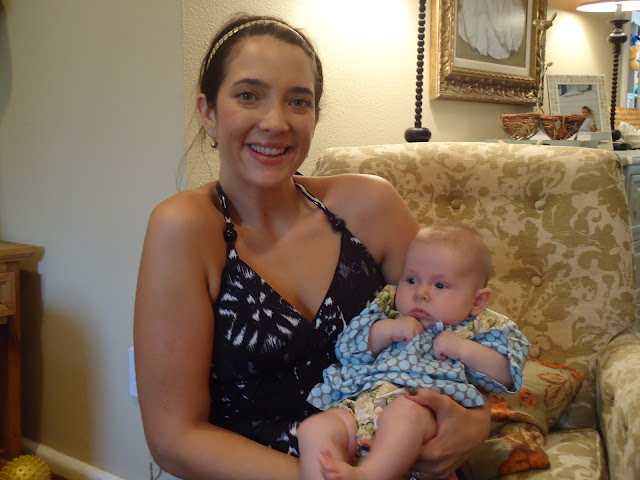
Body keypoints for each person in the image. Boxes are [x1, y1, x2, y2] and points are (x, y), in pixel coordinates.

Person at [133, 14, 491, 480]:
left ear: (315, 116)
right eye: (248, 95)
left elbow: (465, 323)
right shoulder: (183, 228)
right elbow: (174, 439)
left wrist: (476, 423)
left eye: (298, 101)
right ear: (208, 112)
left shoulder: (370, 205)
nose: (276, 122)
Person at [298, 224, 529, 480]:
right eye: (411, 280)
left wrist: (463, 348)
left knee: (405, 413)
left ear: (477, 301)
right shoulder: (388, 310)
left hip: (425, 415)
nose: (421, 293)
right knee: (314, 428)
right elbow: (347, 350)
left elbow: (507, 375)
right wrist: (387, 331)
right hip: (360, 409)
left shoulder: (481, 327)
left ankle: (367, 475)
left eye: (440, 285)